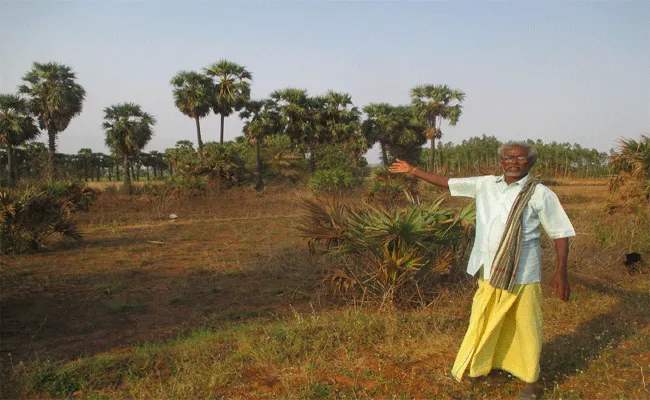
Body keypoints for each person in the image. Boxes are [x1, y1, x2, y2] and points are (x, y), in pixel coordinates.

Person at [389, 141, 575, 399]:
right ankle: (484, 368)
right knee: (485, 319)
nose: (513, 162)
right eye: (508, 158)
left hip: (522, 273)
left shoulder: (540, 194)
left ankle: (531, 381)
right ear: (501, 161)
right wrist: (413, 170)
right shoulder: (485, 184)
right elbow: (447, 182)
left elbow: (560, 233)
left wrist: (561, 273)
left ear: (531, 162)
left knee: (526, 326)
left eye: (520, 158)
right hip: (488, 270)